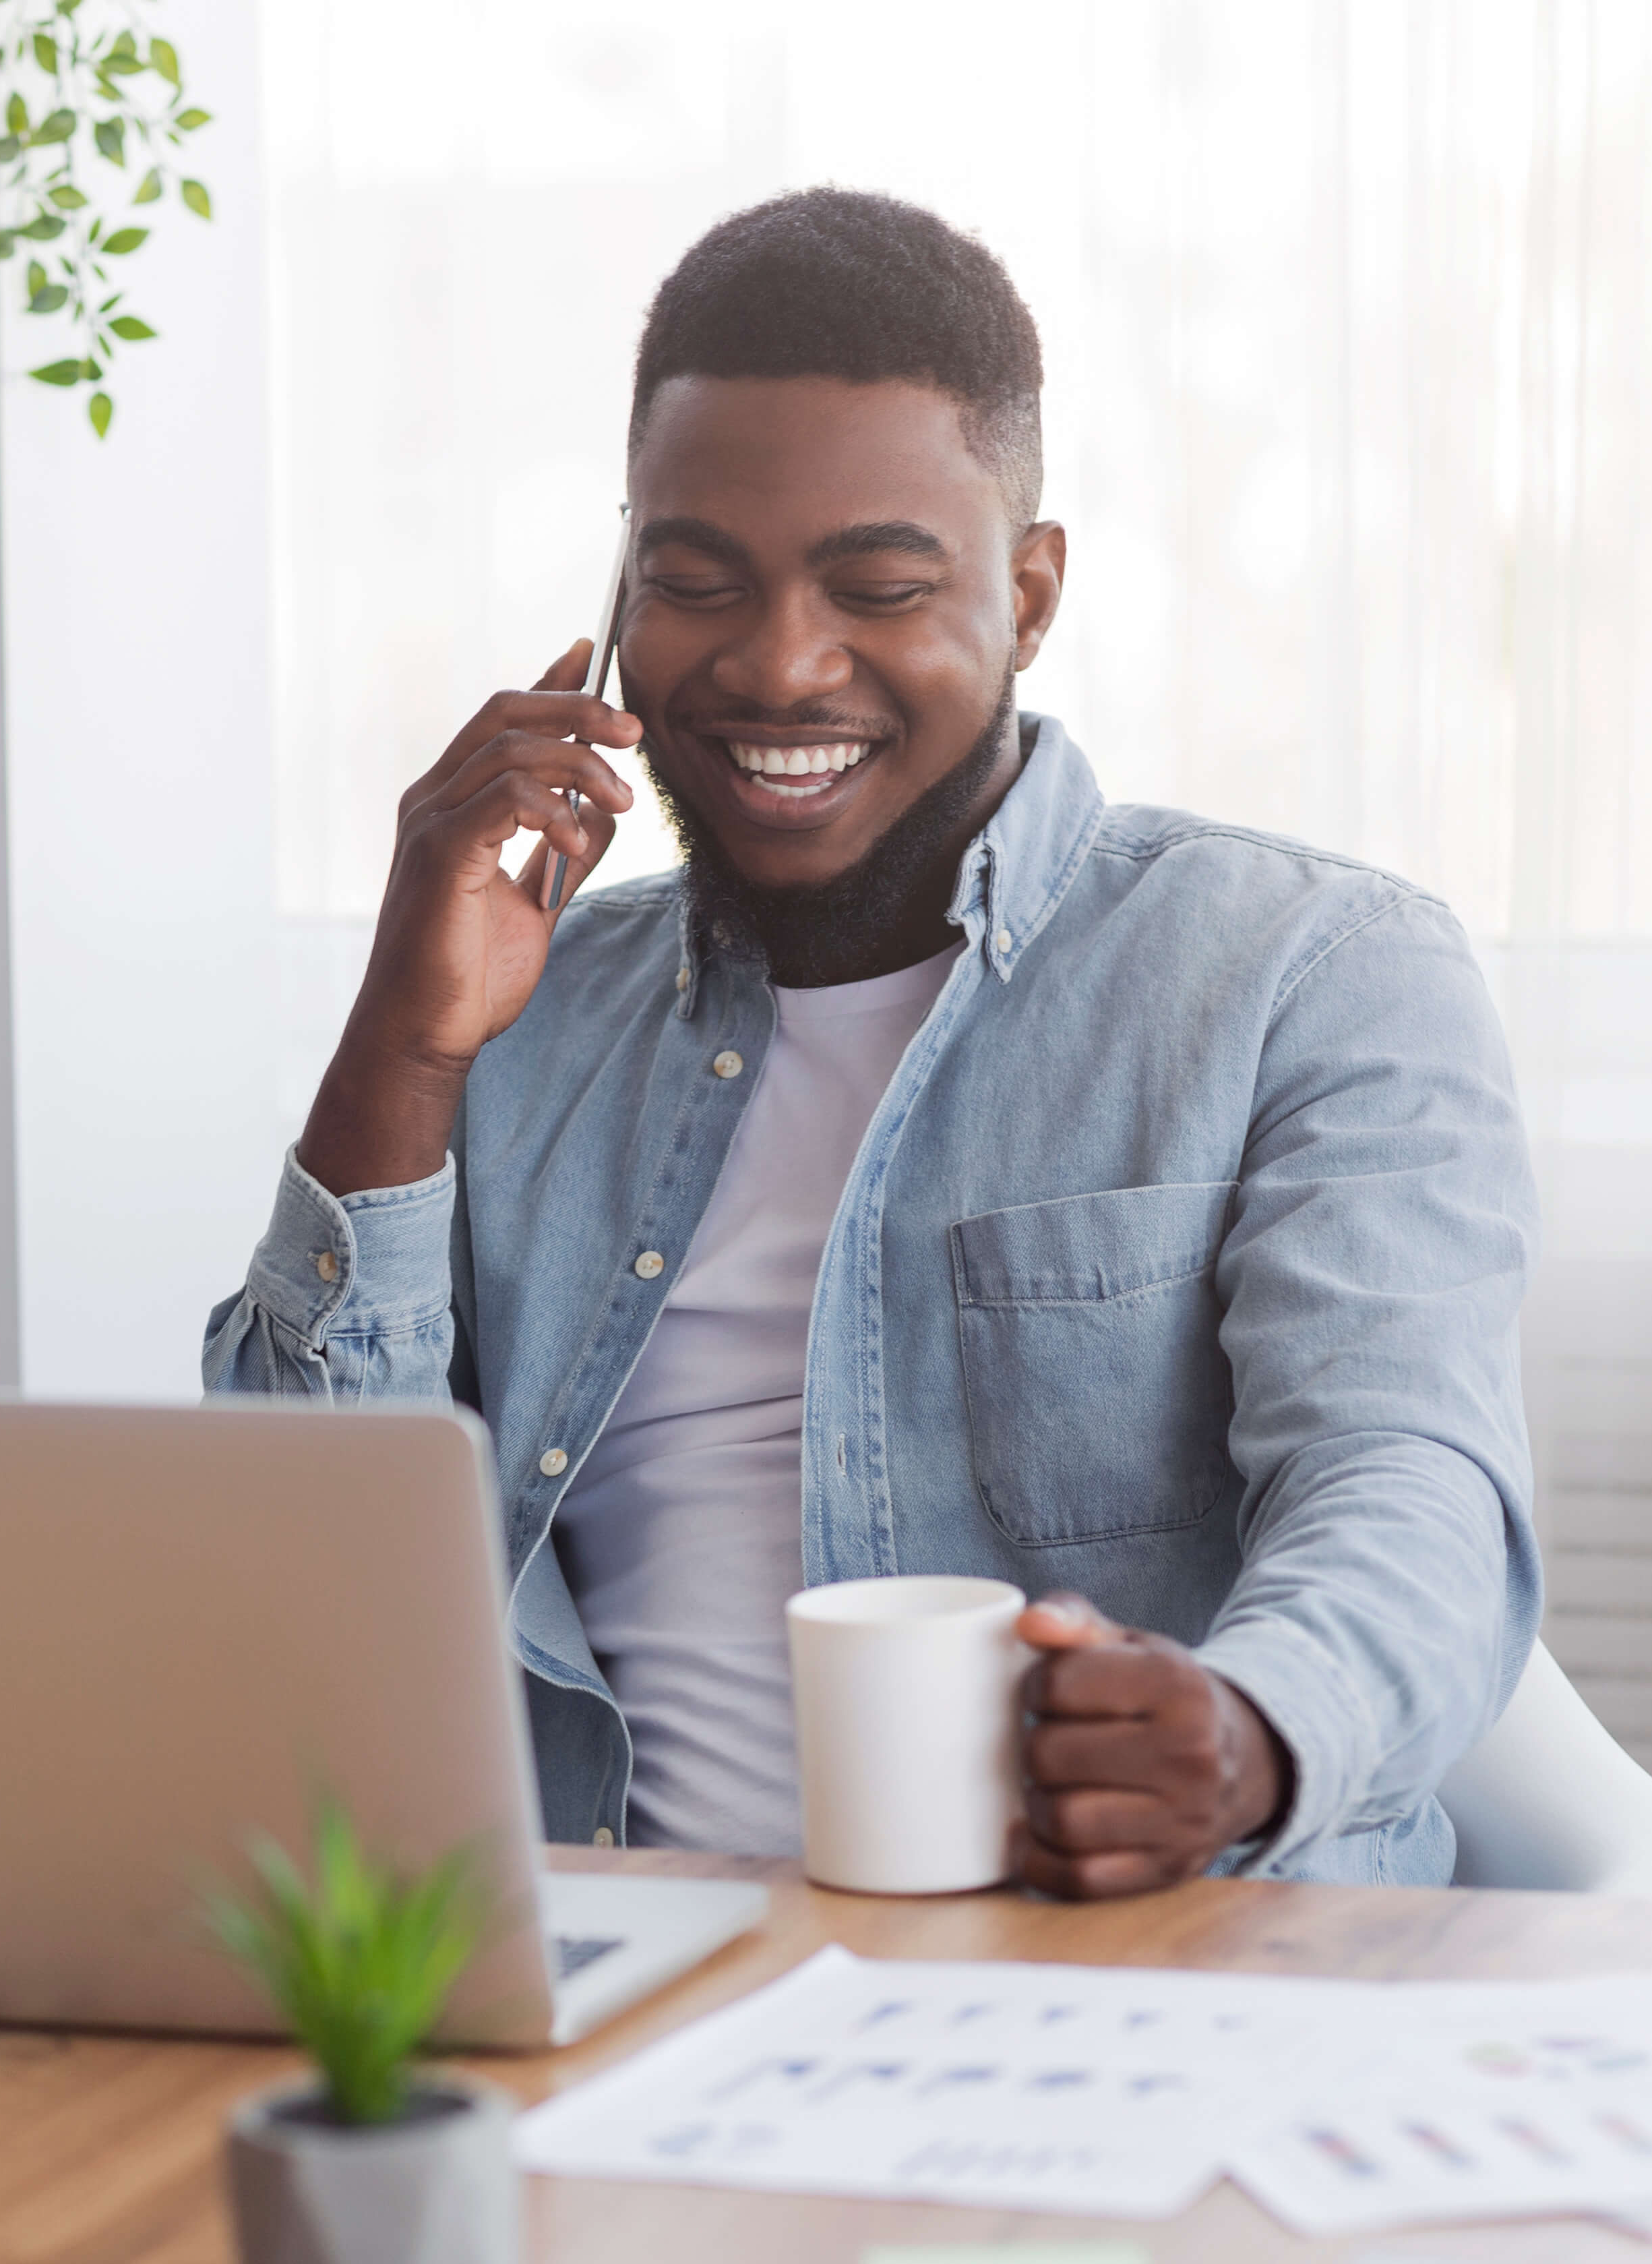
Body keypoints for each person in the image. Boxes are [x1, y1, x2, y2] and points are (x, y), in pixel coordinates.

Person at [203, 188, 1537, 1895]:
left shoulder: (1310, 971)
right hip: (612, 1992)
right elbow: (299, 1585)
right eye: (695, 580)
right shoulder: (515, 1013)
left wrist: (1247, 1727)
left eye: (879, 586)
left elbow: (1410, 1479)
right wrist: (400, 1048)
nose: (776, 665)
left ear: (1029, 592)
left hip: (1140, 1990)